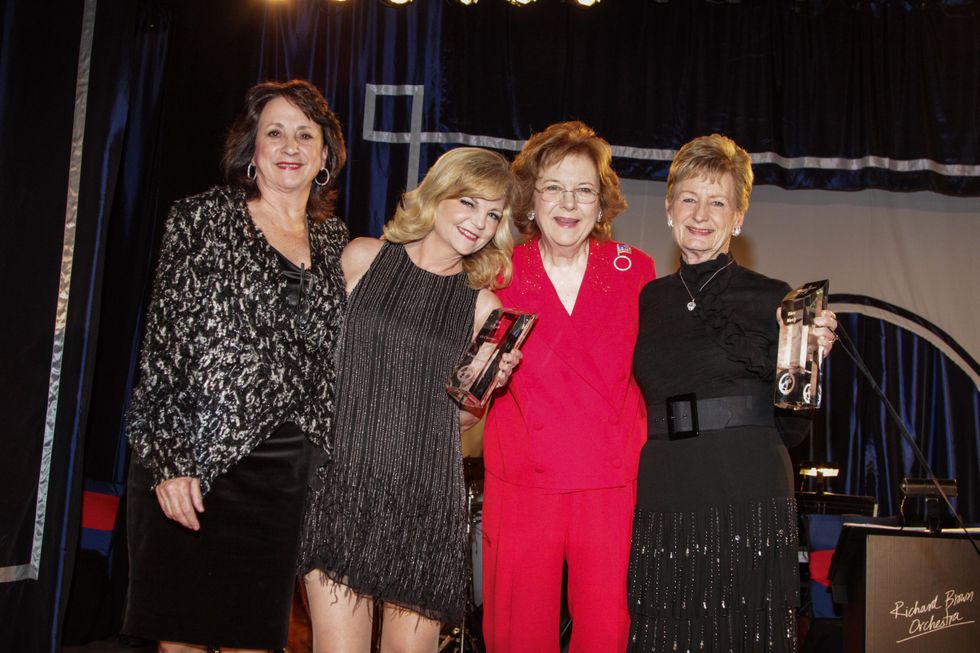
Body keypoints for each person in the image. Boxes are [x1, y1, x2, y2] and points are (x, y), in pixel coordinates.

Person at [124, 79, 348, 653]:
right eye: (275, 132)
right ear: (253, 147)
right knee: (183, 637)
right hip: (198, 459)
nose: (290, 145)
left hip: (285, 477)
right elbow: (163, 347)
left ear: (325, 155)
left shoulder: (333, 241)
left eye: (306, 134)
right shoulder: (200, 219)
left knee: (256, 637)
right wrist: (171, 461)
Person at [299, 147, 520, 653]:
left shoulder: (484, 306)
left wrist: (485, 386)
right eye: (469, 203)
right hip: (344, 489)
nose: (480, 223)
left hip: (425, 501)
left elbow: (459, 421)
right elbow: (313, 371)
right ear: (437, 194)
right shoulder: (361, 257)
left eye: (493, 214)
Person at [627, 134, 837, 652]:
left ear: (738, 217)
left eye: (718, 201)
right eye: (690, 199)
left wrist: (810, 366)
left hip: (747, 490)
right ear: (670, 210)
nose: (702, 213)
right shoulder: (649, 300)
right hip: (666, 489)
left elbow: (790, 426)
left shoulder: (775, 299)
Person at [481, 121, 656, 653]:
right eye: (553, 187)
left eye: (584, 190)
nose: (568, 202)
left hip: (609, 481)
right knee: (517, 634)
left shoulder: (636, 271)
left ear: (601, 205)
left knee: (606, 631)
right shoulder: (498, 272)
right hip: (522, 481)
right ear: (530, 200)